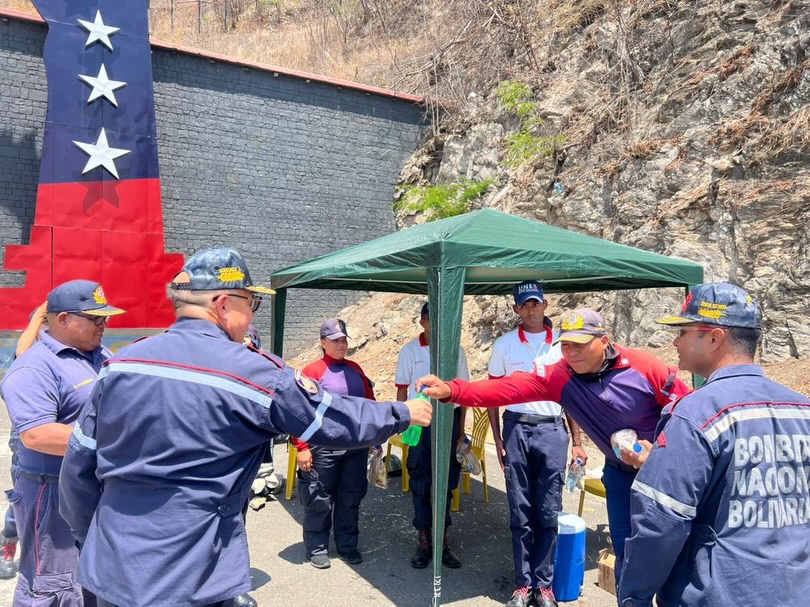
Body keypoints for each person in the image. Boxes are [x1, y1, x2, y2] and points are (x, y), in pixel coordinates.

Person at [58, 247, 432, 607]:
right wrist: (402, 412)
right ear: (223, 305)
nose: (252, 317)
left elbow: (78, 468)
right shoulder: (252, 373)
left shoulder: (121, 364)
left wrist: (92, 537)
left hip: (110, 567)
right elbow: (332, 420)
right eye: (250, 304)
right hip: (190, 574)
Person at [418, 307, 691, 595]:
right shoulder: (559, 377)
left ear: (604, 340)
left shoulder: (642, 365)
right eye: (566, 345)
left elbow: (688, 408)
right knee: (627, 556)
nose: (572, 352)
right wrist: (451, 390)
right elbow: (505, 389)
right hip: (620, 477)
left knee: (673, 554)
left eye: (581, 344)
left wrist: (661, 450)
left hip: (663, 473)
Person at [618, 283, 810, 606]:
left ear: (714, 338)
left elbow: (660, 522)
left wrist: (632, 596)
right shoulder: (802, 410)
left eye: (683, 330)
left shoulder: (695, 415)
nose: (675, 341)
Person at [1, 280, 124, 606]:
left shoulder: (101, 355)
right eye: (95, 319)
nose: (104, 325)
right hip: (51, 493)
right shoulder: (34, 366)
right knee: (52, 585)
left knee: (93, 578)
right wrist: (120, 442)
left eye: (105, 318)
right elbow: (37, 434)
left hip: (95, 486)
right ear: (64, 319)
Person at [487, 282, 587, 607]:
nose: (530, 309)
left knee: (548, 510)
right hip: (516, 429)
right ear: (516, 309)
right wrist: (498, 439)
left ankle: (543, 586)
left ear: (546, 305)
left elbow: (572, 399)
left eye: (535, 303)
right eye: (524, 305)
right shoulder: (503, 346)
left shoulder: (563, 347)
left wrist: (577, 443)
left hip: (552, 432)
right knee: (520, 511)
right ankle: (522, 584)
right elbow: (491, 397)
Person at [292, 318, 376, 568]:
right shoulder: (313, 371)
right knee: (319, 498)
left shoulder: (355, 369)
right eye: (335, 340)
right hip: (323, 446)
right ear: (322, 342)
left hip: (355, 446)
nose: (341, 345)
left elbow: (369, 404)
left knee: (351, 497)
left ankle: (347, 545)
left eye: (343, 340)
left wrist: (374, 436)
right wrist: (302, 447)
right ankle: (317, 547)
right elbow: (298, 411)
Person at [395, 302, 469, 570]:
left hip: (447, 423)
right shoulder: (409, 351)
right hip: (418, 423)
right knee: (420, 481)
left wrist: (461, 433)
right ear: (422, 322)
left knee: (446, 481)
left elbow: (463, 395)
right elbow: (402, 391)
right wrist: (402, 423)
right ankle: (423, 538)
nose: (437, 326)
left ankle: (443, 539)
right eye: (431, 320)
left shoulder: (455, 351)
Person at [1, 301, 48, 580]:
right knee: (25, 499)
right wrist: (40, 316)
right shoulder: (29, 354)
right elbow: (22, 352)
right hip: (26, 439)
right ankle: (7, 545)